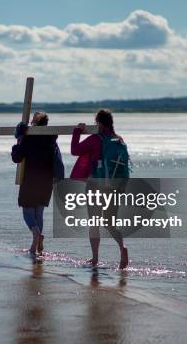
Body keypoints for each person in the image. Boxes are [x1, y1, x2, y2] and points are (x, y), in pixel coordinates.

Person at [70, 109, 129, 269]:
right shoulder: (119, 140)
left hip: (96, 185)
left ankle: (95, 257)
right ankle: (122, 248)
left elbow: (75, 150)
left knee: (94, 222)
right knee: (110, 221)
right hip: (115, 186)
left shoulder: (95, 139)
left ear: (99, 123)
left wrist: (77, 132)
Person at [11, 111, 61, 257]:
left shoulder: (28, 139)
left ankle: (36, 234)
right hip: (47, 180)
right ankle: (38, 244)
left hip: (31, 179)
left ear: (34, 122)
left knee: (27, 210)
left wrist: (18, 141)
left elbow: (17, 158)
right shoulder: (52, 140)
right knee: (39, 211)